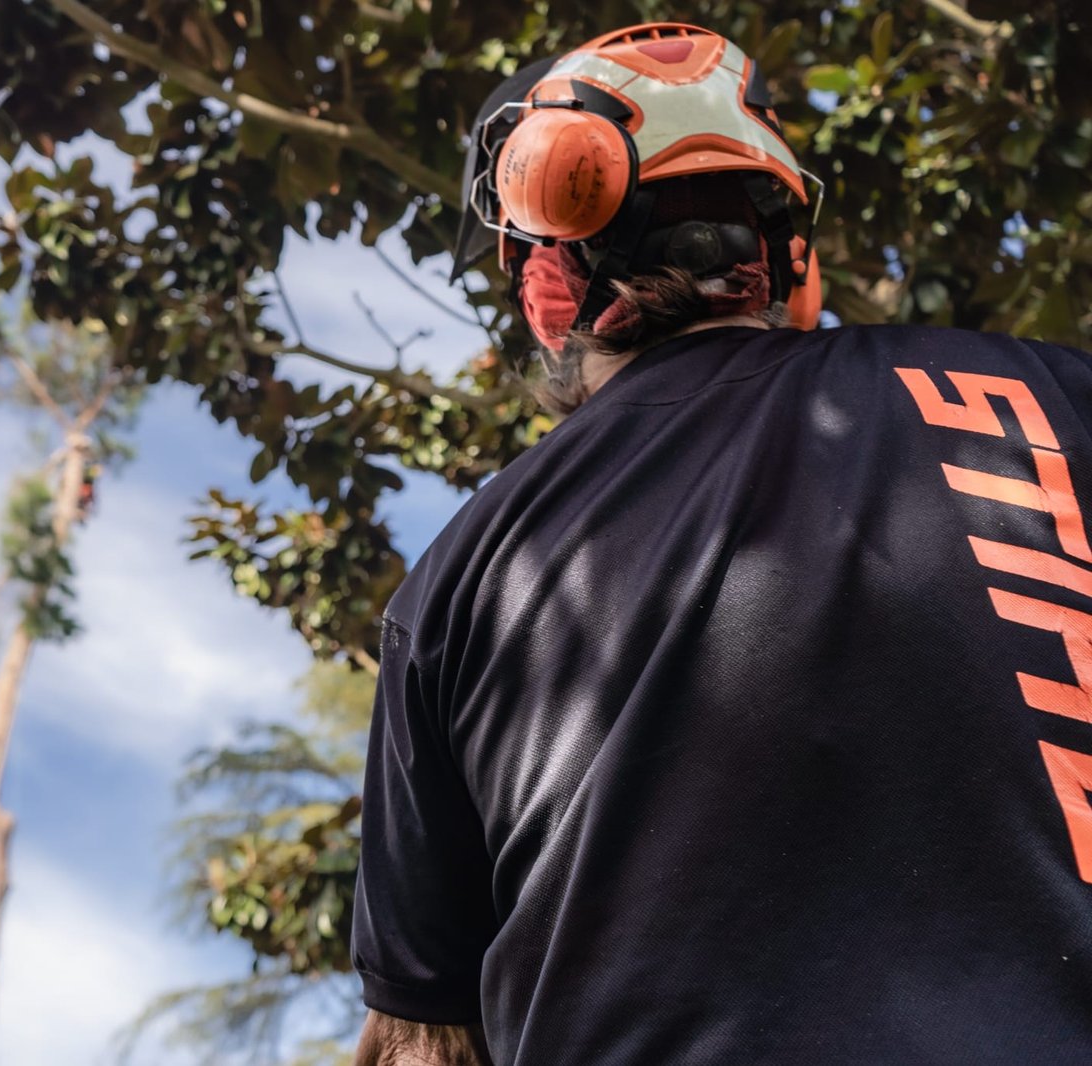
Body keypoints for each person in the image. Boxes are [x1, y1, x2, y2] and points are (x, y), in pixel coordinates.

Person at [350, 21, 1092, 1066]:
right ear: (785, 245)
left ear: (549, 257)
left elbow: (421, 1049)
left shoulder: (459, 580)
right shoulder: (1043, 397)